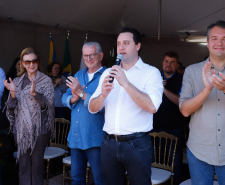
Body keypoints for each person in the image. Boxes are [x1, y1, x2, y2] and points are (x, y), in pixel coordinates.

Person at [89, 27, 163, 185]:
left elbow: (152, 107)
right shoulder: (107, 73)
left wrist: (126, 83)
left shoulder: (151, 73)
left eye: (126, 43)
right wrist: (103, 95)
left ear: (138, 46)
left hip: (137, 144)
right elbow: (93, 108)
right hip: (109, 143)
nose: (121, 47)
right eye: (118, 44)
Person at [179, 20, 225, 185]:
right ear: (207, 43)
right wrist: (206, 89)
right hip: (199, 151)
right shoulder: (192, 71)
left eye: (224, 38)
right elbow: (184, 110)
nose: (219, 43)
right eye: (214, 38)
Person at [4, 47, 54, 185]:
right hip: (20, 131)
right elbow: (11, 106)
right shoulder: (17, 81)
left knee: (37, 167)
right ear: (22, 63)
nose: (31, 65)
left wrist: (35, 94)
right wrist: (13, 93)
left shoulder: (46, 81)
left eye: (34, 61)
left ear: (38, 61)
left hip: (40, 131)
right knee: (23, 166)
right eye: (27, 62)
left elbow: (48, 105)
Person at [62, 42, 106, 185]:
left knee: (100, 180)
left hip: (96, 139)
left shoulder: (107, 76)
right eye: (85, 55)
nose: (88, 58)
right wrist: (72, 99)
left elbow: (106, 106)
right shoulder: (78, 74)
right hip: (76, 137)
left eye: (92, 55)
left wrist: (81, 93)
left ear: (100, 56)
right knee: (77, 179)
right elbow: (64, 97)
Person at [153, 51, 188, 185]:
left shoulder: (182, 79)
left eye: (172, 62)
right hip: (154, 128)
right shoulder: (154, 77)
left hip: (175, 129)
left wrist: (163, 90)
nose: (169, 65)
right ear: (162, 63)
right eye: (166, 61)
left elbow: (181, 102)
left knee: (175, 165)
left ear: (177, 64)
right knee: (154, 163)